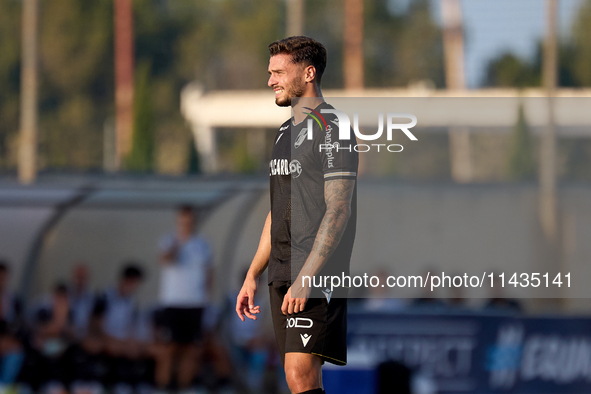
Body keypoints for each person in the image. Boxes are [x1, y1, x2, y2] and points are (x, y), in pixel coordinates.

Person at [236, 36, 358, 394]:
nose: (270, 80)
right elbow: (278, 211)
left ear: (307, 73)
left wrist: (306, 277)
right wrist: (252, 274)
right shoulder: (284, 133)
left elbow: (339, 209)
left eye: (278, 72)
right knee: (297, 379)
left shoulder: (333, 127)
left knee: (299, 373)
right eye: (270, 72)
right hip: (281, 270)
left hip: (317, 271)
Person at [154, 205, 213, 391]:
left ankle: (183, 387)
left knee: (192, 349)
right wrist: (178, 243)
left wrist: (207, 298)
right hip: (173, 303)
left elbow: (209, 273)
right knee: (169, 348)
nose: (187, 224)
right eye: (183, 221)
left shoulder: (202, 245)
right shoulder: (169, 241)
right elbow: (165, 259)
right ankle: (163, 387)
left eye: (190, 221)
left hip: (195, 304)